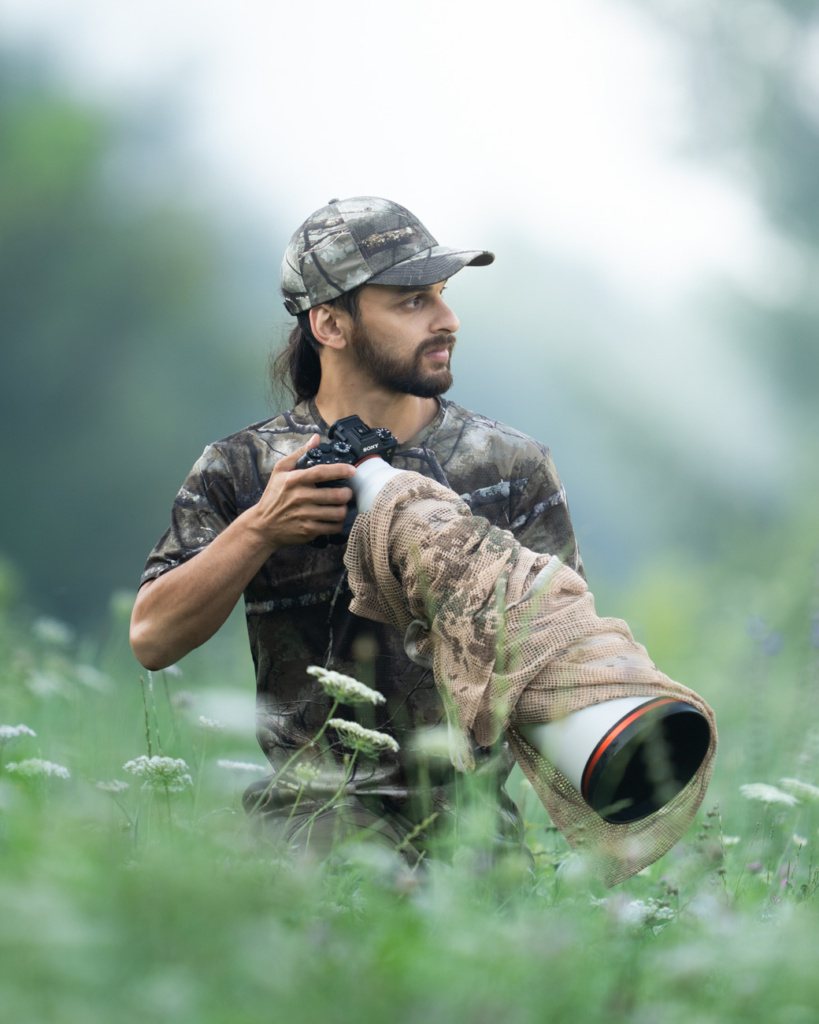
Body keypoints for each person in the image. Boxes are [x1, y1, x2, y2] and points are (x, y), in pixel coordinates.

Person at [130, 196, 584, 866]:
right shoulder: (242, 469)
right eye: (410, 302)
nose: (446, 320)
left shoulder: (508, 466)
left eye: (441, 295)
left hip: (474, 849)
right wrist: (259, 530)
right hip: (303, 845)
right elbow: (151, 639)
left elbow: (566, 666)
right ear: (330, 324)